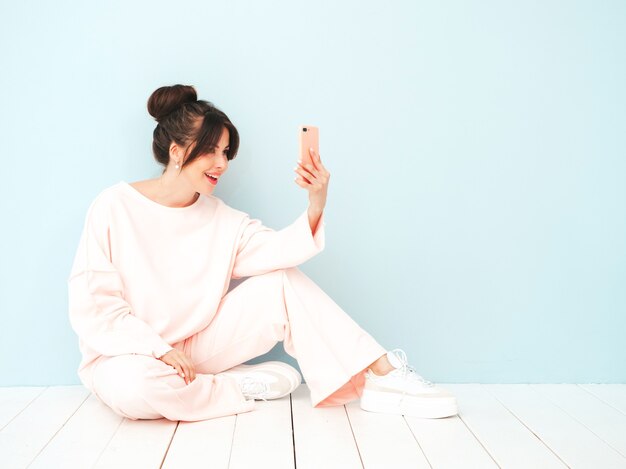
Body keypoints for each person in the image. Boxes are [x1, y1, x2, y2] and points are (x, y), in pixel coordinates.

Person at [67, 84, 458, 422]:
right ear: (175, 150)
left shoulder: (222, 219)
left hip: (195, 351)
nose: (222, 164)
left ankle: (383, 374)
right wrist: (159, 350)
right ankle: (234, 387)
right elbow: (96, 307)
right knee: (134, 390)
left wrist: (316, 201)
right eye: (211, 152)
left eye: (226, 153)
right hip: (128, 354)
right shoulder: (113, 206)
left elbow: (280, 251)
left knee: (281, 283)